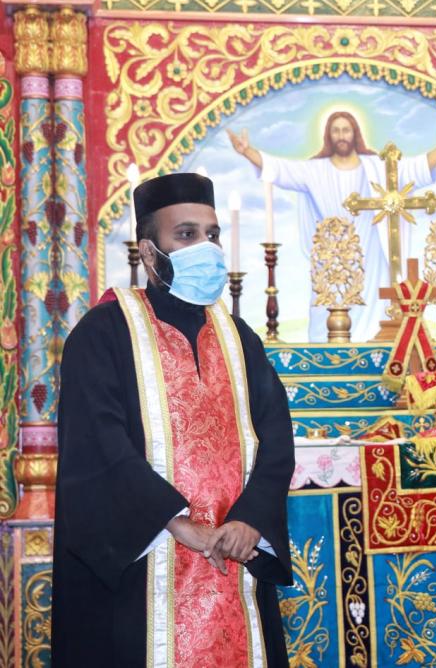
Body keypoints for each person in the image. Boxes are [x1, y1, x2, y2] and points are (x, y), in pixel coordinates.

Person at [52, 172, 295, 667]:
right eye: (186, 234)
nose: (206, 247)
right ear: (148, 252)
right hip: (141, 569)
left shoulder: (240, 337)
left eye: (212, 234)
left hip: (235, 557)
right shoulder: (102, 333)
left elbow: (276, 437)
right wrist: (176, 523)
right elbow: (98, 445)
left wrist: (250, 518)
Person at [227, 111, 436, 341]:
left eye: (346, 130)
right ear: (328, 135)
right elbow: (280, 169)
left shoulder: (377, 167)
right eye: (336, 130)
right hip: (333, 255)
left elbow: (415, 169)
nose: (341, 135)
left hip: (372, 252)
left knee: (376, 308)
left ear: (355, 133)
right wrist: (247, 151)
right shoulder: (315, 170)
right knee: (327, 313)